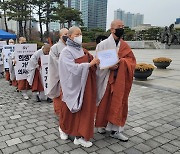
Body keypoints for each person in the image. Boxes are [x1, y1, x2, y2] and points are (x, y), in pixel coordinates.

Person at [95, 19, 136, 142]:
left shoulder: (124, 45)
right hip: (107, 78)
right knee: (104, 102)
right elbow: (97, 62)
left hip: (120, 81)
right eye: (119, 26)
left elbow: (131, 61)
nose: (122, 28)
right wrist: (109, 66)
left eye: (123, 26)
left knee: (119, 102)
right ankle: (101, 124)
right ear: (112, 29)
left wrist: (123, 62)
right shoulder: (102, 45)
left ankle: (115, 130)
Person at [58, 26, 99, 148]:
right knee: (69, 110)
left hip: (86, 84)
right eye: (77, 34)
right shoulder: (66, 52)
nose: (79, 36)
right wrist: (89, 64)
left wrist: (96, 62)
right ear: (70, 36)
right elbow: (71, 68)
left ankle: (79, 136)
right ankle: (63, 128)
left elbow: (90, 62)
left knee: (86, 109)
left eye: (80, 34)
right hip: (72, 86)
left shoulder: (82, 50)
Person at [47, 28, 68, 115]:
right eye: (65, 34)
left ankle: (67, 111)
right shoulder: (54, 47)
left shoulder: (70, 46)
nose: (67, 36)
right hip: (58, 74)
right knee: (58, 94)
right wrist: (67, 64)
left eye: (68, 34)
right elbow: (53, 61)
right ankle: (59, 112)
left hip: (69, 74)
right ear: (60, 35)